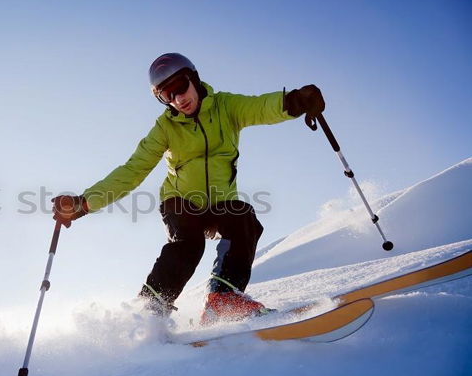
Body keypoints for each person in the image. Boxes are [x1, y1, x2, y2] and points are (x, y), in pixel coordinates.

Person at [52, 53, 325, 325]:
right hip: (180, 200)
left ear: (194, 78)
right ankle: (149, 310)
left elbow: (260, 107)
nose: (178, 100)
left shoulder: (226, 107)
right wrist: (84, 203)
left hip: (221, 202)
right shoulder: (165, 128)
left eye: (180, 88)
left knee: (244, 218)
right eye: (166, 96)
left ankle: (223, 299)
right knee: (188, 245)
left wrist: (293, 102)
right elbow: (132, 170)